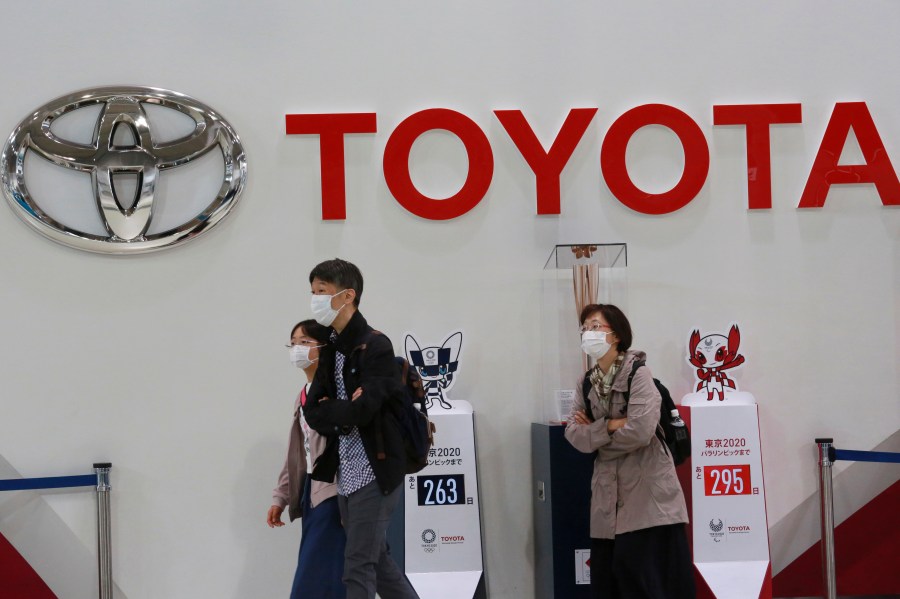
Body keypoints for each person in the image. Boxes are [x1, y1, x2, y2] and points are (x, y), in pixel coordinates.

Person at [302, 258, 420, 599]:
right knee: (377, 563)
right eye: (313, 292)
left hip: (376, 468)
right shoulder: (330, 346)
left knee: (357, 564)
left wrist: (337, 409)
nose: (315, 299)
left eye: (321, 292)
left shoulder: (375, 345)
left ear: (347, 295)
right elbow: (313, 411)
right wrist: (342, 408)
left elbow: (363, 410)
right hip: (346, 471)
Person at [565, 304, 695, 599]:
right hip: (606, 499)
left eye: (596, 326)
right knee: (611, 584)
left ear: (616, 334)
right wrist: (611, 425)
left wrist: (596, 435)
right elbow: (574, 435)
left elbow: (640, 431)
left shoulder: (639, 374)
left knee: (648, 585)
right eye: (585, 327)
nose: (589, 332)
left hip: (648, 501)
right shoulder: (586, 382)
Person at [268, 319, 346, 599]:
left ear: (324, 349)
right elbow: (298, 453)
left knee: (315, 580)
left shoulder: (335, 394)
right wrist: (281, 497)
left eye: (305, 342)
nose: (297, 349)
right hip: (311, 495)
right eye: (294, 342)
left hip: (334, 494)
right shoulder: (303, 396)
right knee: (325, 576)